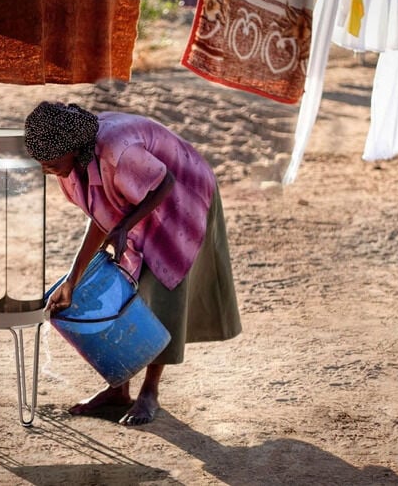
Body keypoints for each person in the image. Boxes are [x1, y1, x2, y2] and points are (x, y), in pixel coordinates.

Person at [24, 101, 241, 426]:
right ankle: (119, 389)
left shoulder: (118, 152)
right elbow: (100, 216)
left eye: (51, 162)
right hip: (140, 197)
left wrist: (124, 227)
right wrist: (73, 279)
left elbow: (165, 183)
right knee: (119, 287)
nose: (46, 169)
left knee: (159, 289)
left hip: (180, 191)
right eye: (41, 163)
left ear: (72, 149)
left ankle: (149, 392)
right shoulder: (68, 166)